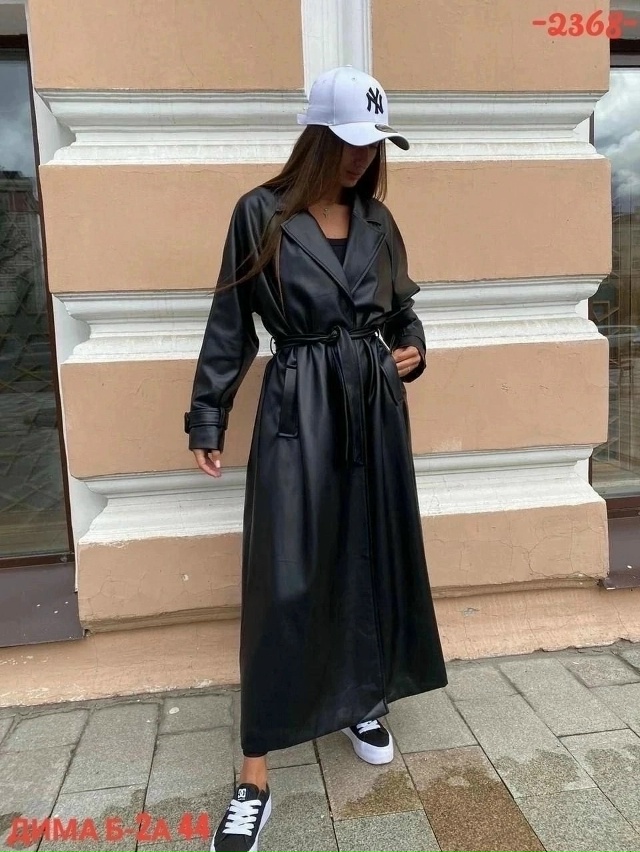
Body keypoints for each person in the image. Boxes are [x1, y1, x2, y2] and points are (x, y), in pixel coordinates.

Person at [184, 65, 448, 852]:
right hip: (298, 406)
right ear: (317, 137)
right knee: (285, 577)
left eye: (373, 143)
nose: (363, 156)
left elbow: (403, 311)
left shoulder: (379, 221)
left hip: (373, 406)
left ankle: (361, 697)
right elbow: (230, 320)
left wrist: (411, 349)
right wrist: (208, 414)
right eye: (350, 141)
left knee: (368, 553)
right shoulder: (259, 214)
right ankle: (254, 776)